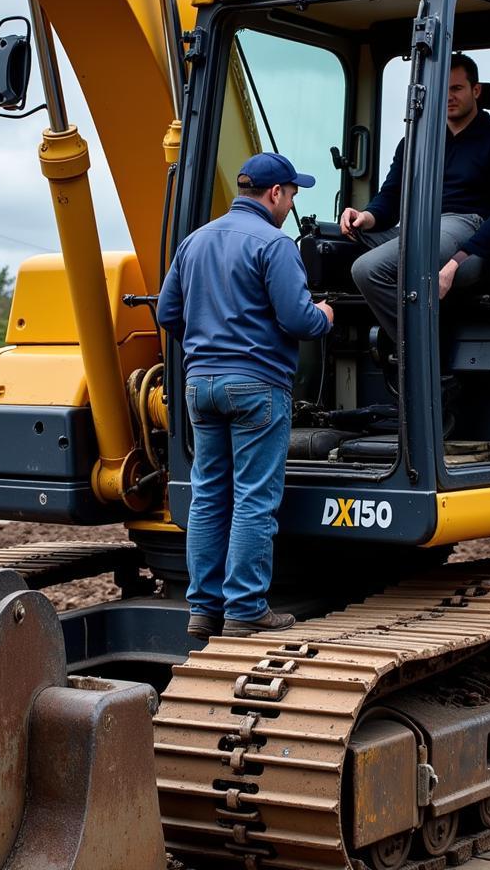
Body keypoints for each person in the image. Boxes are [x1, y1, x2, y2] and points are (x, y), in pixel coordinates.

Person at [158, 152, 334, 640]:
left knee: (210, 495)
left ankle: (203, 607)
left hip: (201, 386)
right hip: (256, 386)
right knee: (255, 499)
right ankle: (245, 608)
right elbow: (298, 320)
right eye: (292, 193)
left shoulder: (193, 242)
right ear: (275, 193)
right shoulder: (275, 244)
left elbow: (168, 314)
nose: (292, 202)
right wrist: (326, 316)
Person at [342, 53, 490, 344]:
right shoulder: (415, 142)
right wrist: (365, 218)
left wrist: (459, 260)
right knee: (332, 244)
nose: (448, 97)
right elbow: (391, 196)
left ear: (476, 90)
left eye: (456, 89)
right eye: (442, 90)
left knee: (367, 269)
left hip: (464, 227)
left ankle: (426, 356)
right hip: (418, 226)